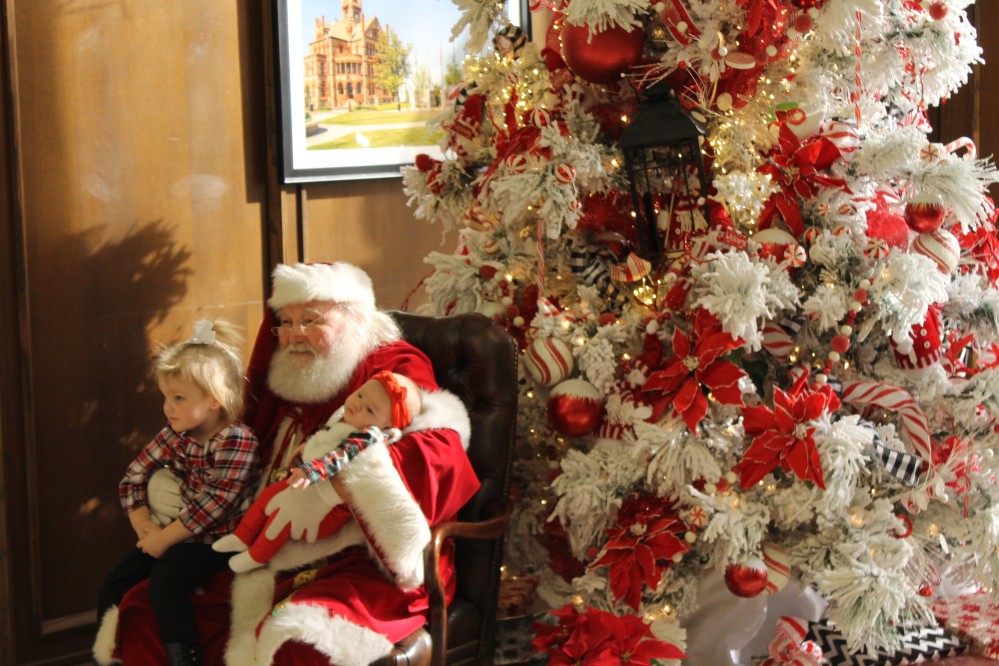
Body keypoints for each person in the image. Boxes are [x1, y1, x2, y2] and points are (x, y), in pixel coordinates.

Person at [94, 262, 481, 666]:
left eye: (310, 321)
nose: (294, 336)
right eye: (286, 322)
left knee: (299, 642)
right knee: (142, 610)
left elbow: (436, 452)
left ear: (353, 322)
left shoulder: (393, 366)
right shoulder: (290, 372)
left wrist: (334, 490)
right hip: (261, 544)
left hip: (353, 558)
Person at [95, 319, 260, 666]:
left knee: (166, 582)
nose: (167, 407)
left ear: (214, 400)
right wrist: (146, 528)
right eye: (166, 397)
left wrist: (165, 538)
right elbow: (132, 478)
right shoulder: (175, 433)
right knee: (114, 583)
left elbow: (215, 504)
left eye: (179, 398)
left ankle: (186, 657)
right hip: (177, 533)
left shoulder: (237, 440)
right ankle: (108, 656)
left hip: (219, 539)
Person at [212, 370, 422, 573]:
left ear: (387, 426)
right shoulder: (345, 416)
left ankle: (257, 557)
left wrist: (312, 471)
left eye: (370, 410)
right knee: (268, 495)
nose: (357, 404)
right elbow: (326, 437)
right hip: (306, 486)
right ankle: (242, 536)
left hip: (324, 508)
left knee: (281, 519)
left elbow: (339, 456)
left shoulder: (369, 437)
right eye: (360, 394)